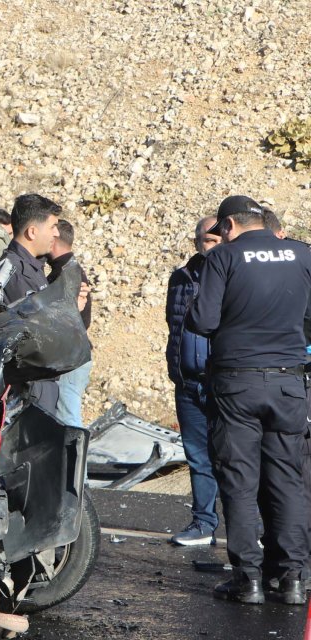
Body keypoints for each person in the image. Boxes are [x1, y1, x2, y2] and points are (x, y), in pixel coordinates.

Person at [186, 195, 311, 605]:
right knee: (289, 479)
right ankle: (292, 577)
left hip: (237, 381)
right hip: (289, 382)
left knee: (239, 481)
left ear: (227, 227)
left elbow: (202, 321)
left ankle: (249, 578)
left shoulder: (225, 257)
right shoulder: (301, 253)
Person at [165, 216, 222, 547]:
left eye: (217, 240)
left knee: (236, 458)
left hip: (224, 383)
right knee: (198, 457)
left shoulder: (235, 278)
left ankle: (254, 529)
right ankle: (203, 523)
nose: (210, 246)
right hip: (187, 382)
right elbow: (174, 326)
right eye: (206, 240)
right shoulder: (181, 278)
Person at [47, 219, 93, 429]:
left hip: (71, 359)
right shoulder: (69, 270)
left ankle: (76, 461)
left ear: (54, 239)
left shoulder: (65, 274)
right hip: (74, 357)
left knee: (68, 420)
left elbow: (79, 320)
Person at [1, 194, 61, 303]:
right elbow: (34, 319)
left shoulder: (31, 264)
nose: (57, 233)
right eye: (52, 227)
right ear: (32, 232)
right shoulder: (16, 275)